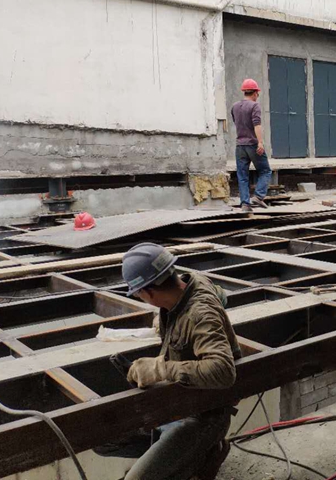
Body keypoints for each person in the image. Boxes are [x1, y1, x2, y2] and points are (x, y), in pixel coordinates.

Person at [121, 243, 241, 480]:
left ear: (149, 293)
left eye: (137, 294)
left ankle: (202, 454)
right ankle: (189, 459)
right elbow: (221, 295)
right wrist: (171, 322)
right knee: (105, 442)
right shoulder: (191, 282)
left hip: (204, 413)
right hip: (179, 401)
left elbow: (223, 371)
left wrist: (160, 369)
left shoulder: (199, 313)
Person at [231, 79, 271, 213]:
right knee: (265, 171)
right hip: (253, 144)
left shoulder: (235, 106)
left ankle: (245, 204)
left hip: (240, 146)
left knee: (242, 176)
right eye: (257, 93)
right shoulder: (255, 106)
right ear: (255, 93)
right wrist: (260, 142)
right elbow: (257, 125)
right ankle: (258, 196)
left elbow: (237, 123)